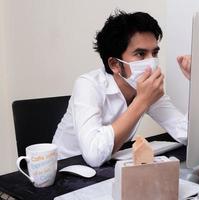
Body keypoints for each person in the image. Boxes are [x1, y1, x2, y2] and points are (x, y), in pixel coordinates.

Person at [52, 10, 191, 167]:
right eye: (140, 54)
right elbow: (94, 155)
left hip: (107, 167)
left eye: (154, 53)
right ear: (115, 64)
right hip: (65, 172)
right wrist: (142, 101)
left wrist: (197, 84)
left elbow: (187, 133)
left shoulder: (145, 89)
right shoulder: (88, 85)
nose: (151, 62)